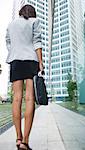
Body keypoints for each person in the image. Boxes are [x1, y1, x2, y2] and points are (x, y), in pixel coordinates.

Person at [5, 5, 44, 150]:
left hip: (15, 60)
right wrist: (40, 62)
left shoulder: (11, 24)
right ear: (32, 13)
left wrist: (15, 51)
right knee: (29, 99)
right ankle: (25, 142)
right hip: (31, 60)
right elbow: (37, 42)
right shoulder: (35, 21)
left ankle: (18, 138)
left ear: (21, 12)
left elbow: (8, 42)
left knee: (16, 98)